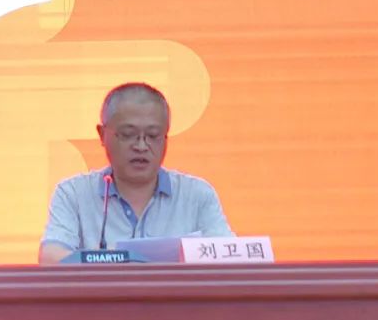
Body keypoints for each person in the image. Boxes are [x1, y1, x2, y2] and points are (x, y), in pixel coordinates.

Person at [39, 82, 233, 264]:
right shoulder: (73, 194)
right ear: (102, 135)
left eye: (153, 136)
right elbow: (50, 258)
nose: (141, 146)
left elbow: (230, 258)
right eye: (128, 135)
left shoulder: (197, 195)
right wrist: (117, 258)